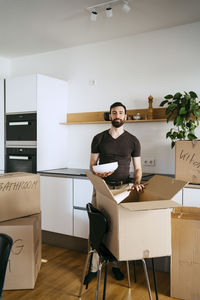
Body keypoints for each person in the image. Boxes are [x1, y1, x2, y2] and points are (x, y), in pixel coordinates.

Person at [84, 101, 144, 284]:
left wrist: (137, 183)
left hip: (123, 189)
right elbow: (92, 165)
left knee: (119, 228)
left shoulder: (133, 140)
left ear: (125, 117)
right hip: (102, 188)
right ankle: (93, 268)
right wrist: (99, 172)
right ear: (109, 116)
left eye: (120, 113)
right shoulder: (98, 138)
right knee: (97, 227)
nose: (117, 116)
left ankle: (116, 266)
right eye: (114, 113)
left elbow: (138, 168)